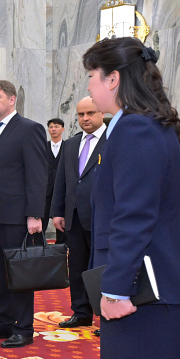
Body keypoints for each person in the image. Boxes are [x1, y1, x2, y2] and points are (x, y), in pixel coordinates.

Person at [83, 37, 180, 359]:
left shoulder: (136, 128)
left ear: (113, 79)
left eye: (91, 75)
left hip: (150, 294)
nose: (89, 85)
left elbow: (134, 217)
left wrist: (115, 289)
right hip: (161, 289)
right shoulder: (147, 124)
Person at [0, 79, 48, 348]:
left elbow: (37, 175)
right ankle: (2, 321)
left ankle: (23, 328)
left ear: (12, 100)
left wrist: (35, 214)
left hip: (17, 216)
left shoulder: (29, 129)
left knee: (19, 272)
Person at [50, 97, 105, 331]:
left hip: (103, 218)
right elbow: (61, 180)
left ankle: (106, 317)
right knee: (77, 267)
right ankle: (81, 312)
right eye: (81, 114)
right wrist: (57, 212)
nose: (85, 118)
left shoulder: (113, 140)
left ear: (101, 113)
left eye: (90, 113)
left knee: (102, 268)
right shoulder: (71, 144)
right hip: (73, 217)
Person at [45, 117, 66, 243]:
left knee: (62, 221)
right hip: (45, 190)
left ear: (62, 129)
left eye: (56, 127)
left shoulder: (68, 146)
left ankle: (62, 246)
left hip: (62, 190)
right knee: (42, 220)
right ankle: (39, 248)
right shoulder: (43, 147)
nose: (53, 129)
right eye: (51, 127)